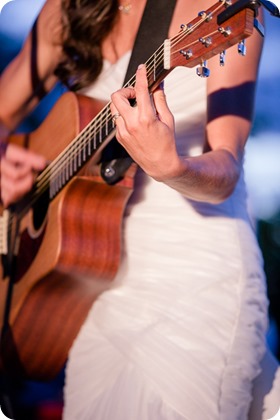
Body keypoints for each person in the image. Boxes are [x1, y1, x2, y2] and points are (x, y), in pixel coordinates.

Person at [0, 0, 280, 419]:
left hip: (194, 270)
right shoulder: (66, 10)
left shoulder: (221, 9)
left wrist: (174, 167)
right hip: (89, 283)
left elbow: (226, 166)